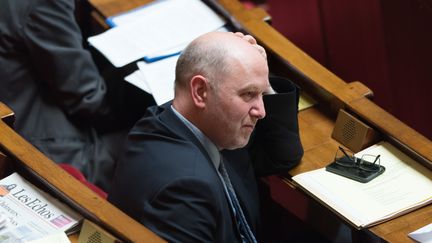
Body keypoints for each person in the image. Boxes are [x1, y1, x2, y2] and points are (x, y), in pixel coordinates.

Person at [108, 31, 303, 242]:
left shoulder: (181, 120)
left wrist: (259, 77)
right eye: (248, 94)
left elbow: (282, 156)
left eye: (261, 94)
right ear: (200, 91)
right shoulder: (185, 192)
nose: (261, 111)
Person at [0, 0, 140, 191]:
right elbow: (89, 101)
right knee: (156, 136)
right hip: (44, 151)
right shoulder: (43, 4)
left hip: (15, 102)